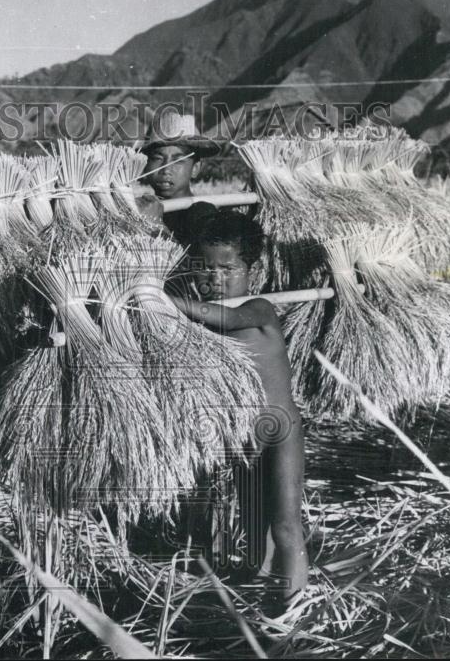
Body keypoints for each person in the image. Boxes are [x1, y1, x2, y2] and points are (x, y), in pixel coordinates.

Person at [170, 211, 309, 606]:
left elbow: (226, 317)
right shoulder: (202, 319)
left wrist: (158, 298)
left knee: (284, 525)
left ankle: (293, 608)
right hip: (241, 434)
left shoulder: (258, 308)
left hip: (280, 429)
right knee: (252, 520)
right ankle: (262, 586)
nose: (215, 278)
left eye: (228, 268)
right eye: (206, 269)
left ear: (253, 268)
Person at [139, 111, 221, 245]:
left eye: (178, 160)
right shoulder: (141, 209)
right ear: (146, 164)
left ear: (195, 168)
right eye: (158, 158)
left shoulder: (203, 215)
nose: (166, 170)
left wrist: (155, 225)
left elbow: (195, 263)